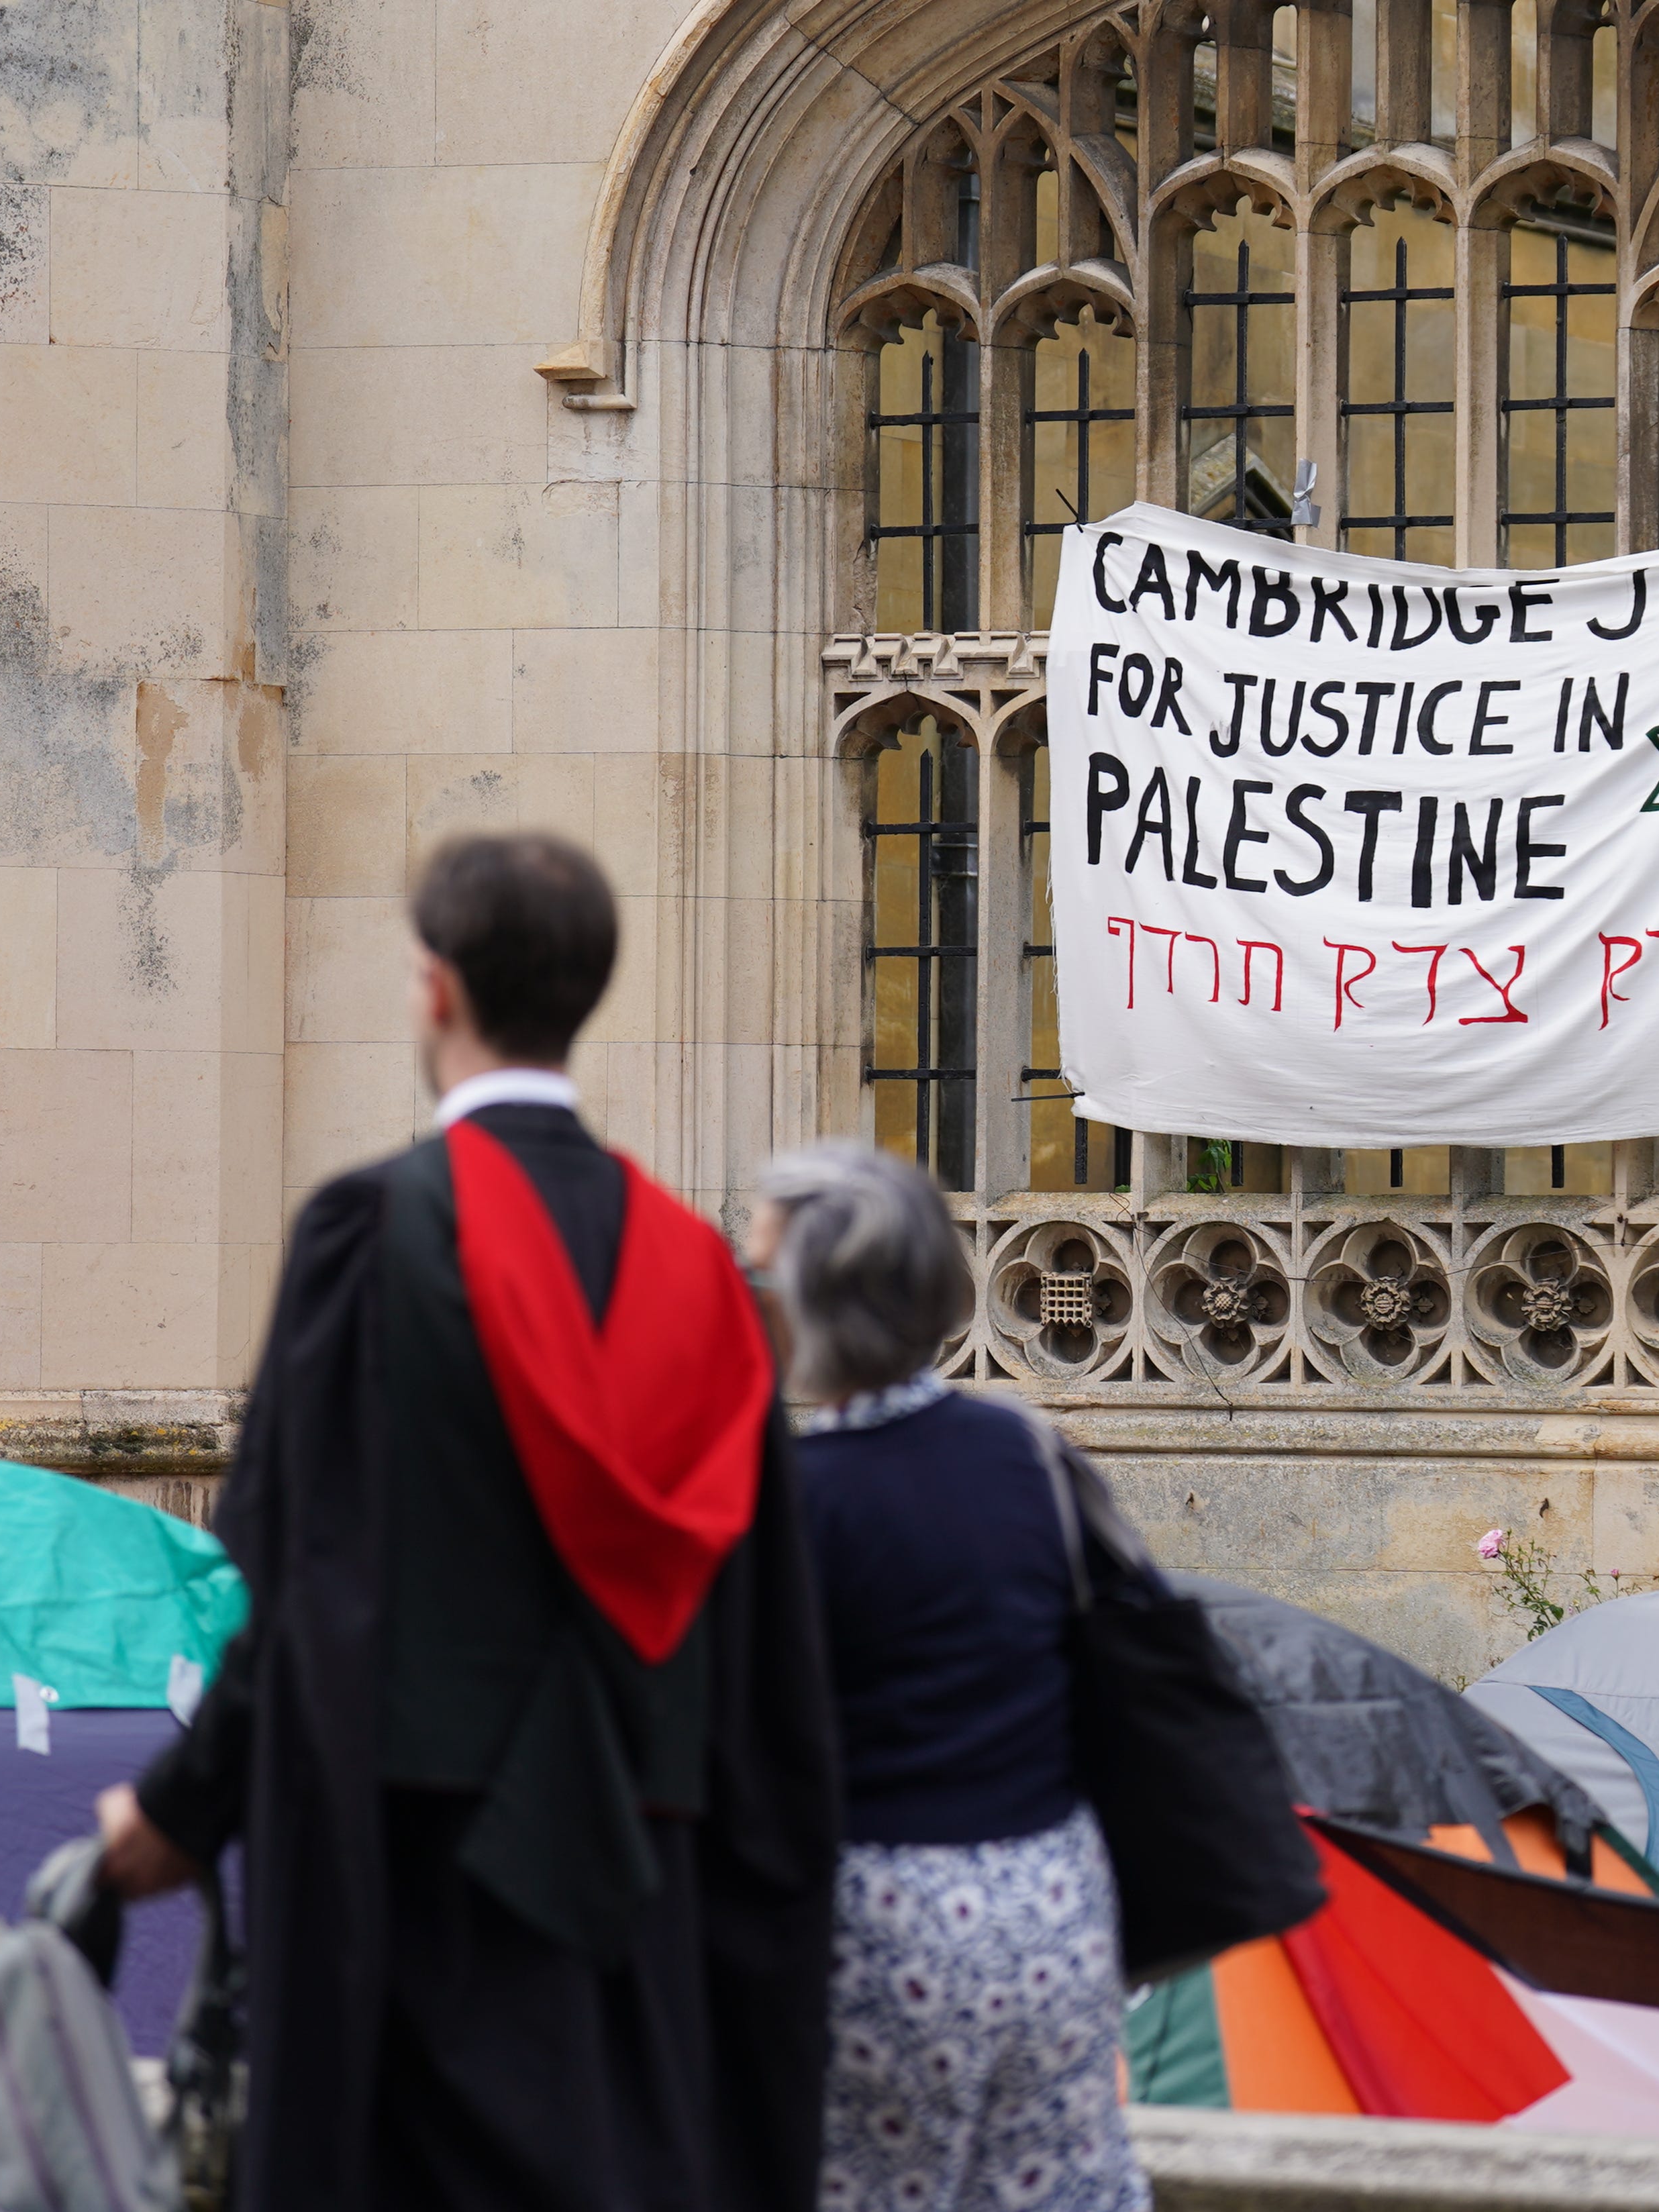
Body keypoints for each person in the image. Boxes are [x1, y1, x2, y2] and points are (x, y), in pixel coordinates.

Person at [95, 832, 842, 2212]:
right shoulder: (712, 1284)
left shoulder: (369, 1236)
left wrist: (179, 1807)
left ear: (434, 990)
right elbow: (771, 1670)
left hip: (404, 1893)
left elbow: (303, 1586)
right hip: (642, 1889)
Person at [746, 1142, 1150, 2212]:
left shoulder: (790, 1499)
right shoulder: (1024, 1450)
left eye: (760, 1277)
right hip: (1054, 1904)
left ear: (810, 1303)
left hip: (887, 1927)